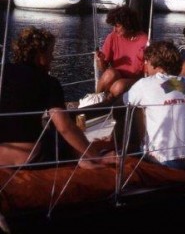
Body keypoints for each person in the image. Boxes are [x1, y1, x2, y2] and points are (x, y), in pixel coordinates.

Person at [0, 27, 114, 168]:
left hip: (2, 157)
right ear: (39, 55)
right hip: (29, 157)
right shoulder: (48, 82)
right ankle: (87, 161)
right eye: (50, 52)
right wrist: (96, 156)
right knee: (62, 134)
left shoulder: (2, 72)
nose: (52, 58)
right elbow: (64, 127)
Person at [123, 40, 185, 170]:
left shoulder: (145, 84)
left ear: (157, 66)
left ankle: (133, 147)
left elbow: (126, 101)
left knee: (137, 107)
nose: (145, 66)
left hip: (166, 160)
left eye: (147, 62)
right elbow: (168, 90)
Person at [94, 6, 149, 100]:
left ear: (128, 24)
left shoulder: (144, 40)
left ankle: (108, 103)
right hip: (116, 77)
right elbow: (104, 70)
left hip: (136, 80)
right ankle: (95, 101)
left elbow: (149, 72)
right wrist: (101, 60)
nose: (114, 29)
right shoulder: (112, 37)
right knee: (109, 74)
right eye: (113, 26)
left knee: (119, 86)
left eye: (117, 26)